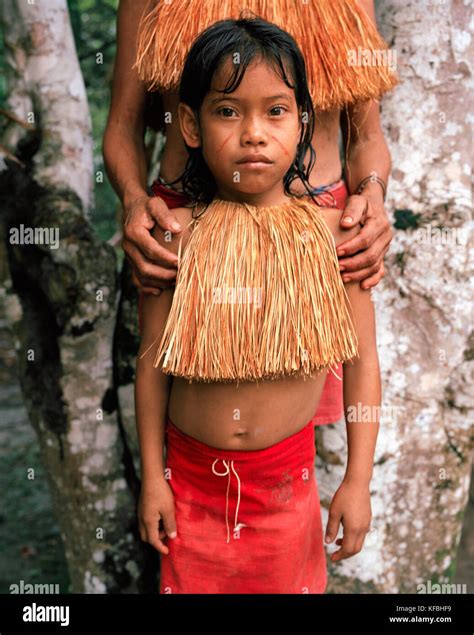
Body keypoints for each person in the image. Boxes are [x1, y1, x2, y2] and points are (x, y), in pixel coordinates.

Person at [134, 17, 381, 594]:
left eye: (275, 111)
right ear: (190, 124)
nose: (253, 133)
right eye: (227, 111)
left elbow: (363, 362)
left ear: (302, 123)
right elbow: (150, 366)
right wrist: (154, 478)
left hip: (287, 489)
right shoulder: (173, 238)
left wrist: (357, 481)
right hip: (188, 487)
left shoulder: (336, 238)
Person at [103, 0, 397, 430]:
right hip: (185, 234)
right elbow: (122, 126)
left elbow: (367, 137)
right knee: (191, 417)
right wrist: (132, 201)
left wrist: (373, 194)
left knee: (299, 430)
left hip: (322, 240)